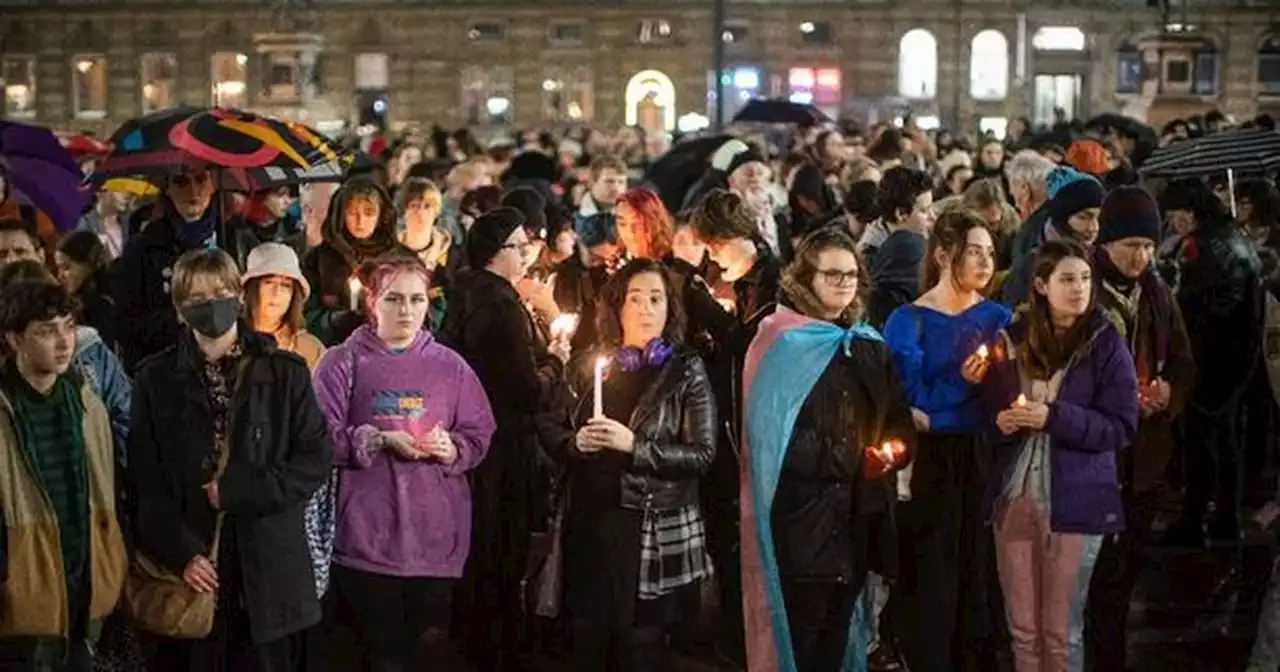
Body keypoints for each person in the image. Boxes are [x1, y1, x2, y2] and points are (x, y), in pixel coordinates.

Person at [129, 248, 332, 671]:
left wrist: (238, 492)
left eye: (221, 292)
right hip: (195, 567)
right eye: (198, 299)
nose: (212, 306)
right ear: (180, 310)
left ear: (238, 297)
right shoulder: (155, 378)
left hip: (270, 562)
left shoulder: (284, 372)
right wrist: (181, 552)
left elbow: (313, 459)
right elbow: (144, 480)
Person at [740, 228, 916, 671]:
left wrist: (893, 453)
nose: (844, 283)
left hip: (856, 520)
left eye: (852, 274)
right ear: (806, 278)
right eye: (832, 274)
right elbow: (771, 435)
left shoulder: (868, 345)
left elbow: (898, 419)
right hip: (800, 520)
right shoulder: (779, 342)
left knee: (839, 636)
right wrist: (853, 458)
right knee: (802, 638)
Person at [311, 253, 495, 672]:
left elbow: (480, 433)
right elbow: (319, 439)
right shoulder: (342, 362)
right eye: (394, 299)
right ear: (372, 301)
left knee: (427, 652)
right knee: (379, 655)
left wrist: (453, 448)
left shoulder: (450, 367)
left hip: (435, 541)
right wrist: (373, 440)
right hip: (365, 542)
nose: (407, 310)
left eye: (417, 299)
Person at [540, 258, 716, 671]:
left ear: (670, 308)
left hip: (649, 525)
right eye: (635, 299)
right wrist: (573, 442)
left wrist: (634, 446)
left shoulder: (685, 370)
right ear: (617, 307)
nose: (645, 308)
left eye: (656, 299)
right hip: (589, 521)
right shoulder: (590, 364)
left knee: (641, 643)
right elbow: (547, 424)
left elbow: (703, 454)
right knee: (586, 637)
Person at [982, 241, 1140, 672]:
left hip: (1076, 503)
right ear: (1040, 284)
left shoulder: (1105, 342)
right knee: (1024, 632)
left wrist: (1053, 416)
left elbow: (1121, 426)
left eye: (1085, 278)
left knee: (1060, 632)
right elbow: (989, 412)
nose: (1079, 288)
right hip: (1015, 499)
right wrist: (1001, 420)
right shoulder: (1012, 338)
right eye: (1067, 279)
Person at [437, 208, 569, 671]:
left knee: (482, 543)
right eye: (518, 245)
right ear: (497, 252)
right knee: (502, 544)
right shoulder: (501, 305)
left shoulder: (468, 292)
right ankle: (498, 644)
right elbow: (526, 389)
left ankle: (474, 633)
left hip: (473, 439)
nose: (526, 252)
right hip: (504, 443)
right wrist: (554, 361)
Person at [881, 211, 1012, 672]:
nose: (985, 261)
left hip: (982, 455)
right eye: (974, 250)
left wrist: (939, 416)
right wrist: (958, 386)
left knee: (981, 568)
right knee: (931, 571)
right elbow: (907, 399)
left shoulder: (997, 317)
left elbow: (996, 401)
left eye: (990, 252)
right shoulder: (907, 320)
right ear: (943, 254)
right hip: (929, 465)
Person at [1083, 187, 1196, 671]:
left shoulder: (1157, 293)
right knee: (1092, 579)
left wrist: (1169, 392)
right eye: (1130, 244)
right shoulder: (1081, 286)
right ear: (1106, 242)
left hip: (1145, 458)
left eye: (1148, 246)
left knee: (1126, 569)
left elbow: (1185, 361)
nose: (1140, 256)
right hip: (1094, 458)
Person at [0, 281, 127, 672]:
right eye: (45, 331)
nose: (62, 342)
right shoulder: (6, 411)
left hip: (84, 585)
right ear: (14, 339)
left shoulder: (88, 405)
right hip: (22, 596)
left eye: (68, 327)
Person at [1162, 179, 1263, 545]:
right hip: (1238, 357)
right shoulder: (1235, 236)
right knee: (1227, 438)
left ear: (1190, 213)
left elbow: (1194, 308)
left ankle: (1193, 519)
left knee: (1202, 440)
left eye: (1174, 216)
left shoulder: (1201, 247)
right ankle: (1225, 517)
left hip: (1210, 359)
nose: (1172, 225)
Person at [112, 167, 224, 372]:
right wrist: (178, 316)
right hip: (166, 375)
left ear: (213, 184)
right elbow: (124, 326)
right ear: (167, 187)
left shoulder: (235, 239)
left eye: (200, 180)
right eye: (181, 182)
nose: (193, 192)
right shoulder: (143, 248)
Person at [301, 176, 408, 346]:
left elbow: (425, 310)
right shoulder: (319, 259)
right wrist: (332, 320)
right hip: (334, 349)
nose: (360, 221)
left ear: (382, 216)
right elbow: (304, 312)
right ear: (340, 215)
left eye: (368, 213)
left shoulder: (402, 260)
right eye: (352, 213)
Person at [1001, 170, 1105, 308]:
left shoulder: (1104, 256)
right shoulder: (1031, 259)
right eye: (1084, 217)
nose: (1093, 227)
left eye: (1099, 218)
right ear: (1063, 218)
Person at [866, 166, 935, 328]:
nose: (932, 216)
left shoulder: (876, 242)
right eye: (924, 211)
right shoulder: (907, 248)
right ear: (901, 214)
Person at [55, 231, 116, 348]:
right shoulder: (66, 304)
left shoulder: (106, 306)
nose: (60, 275)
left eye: (66, 267)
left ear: (89, 265)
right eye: (58, 268)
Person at [227, 186, 305, 271]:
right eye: (281, 195)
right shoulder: (236, 230)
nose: (288, 201)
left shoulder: (292, 229)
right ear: (262, 196)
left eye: (288, 195)